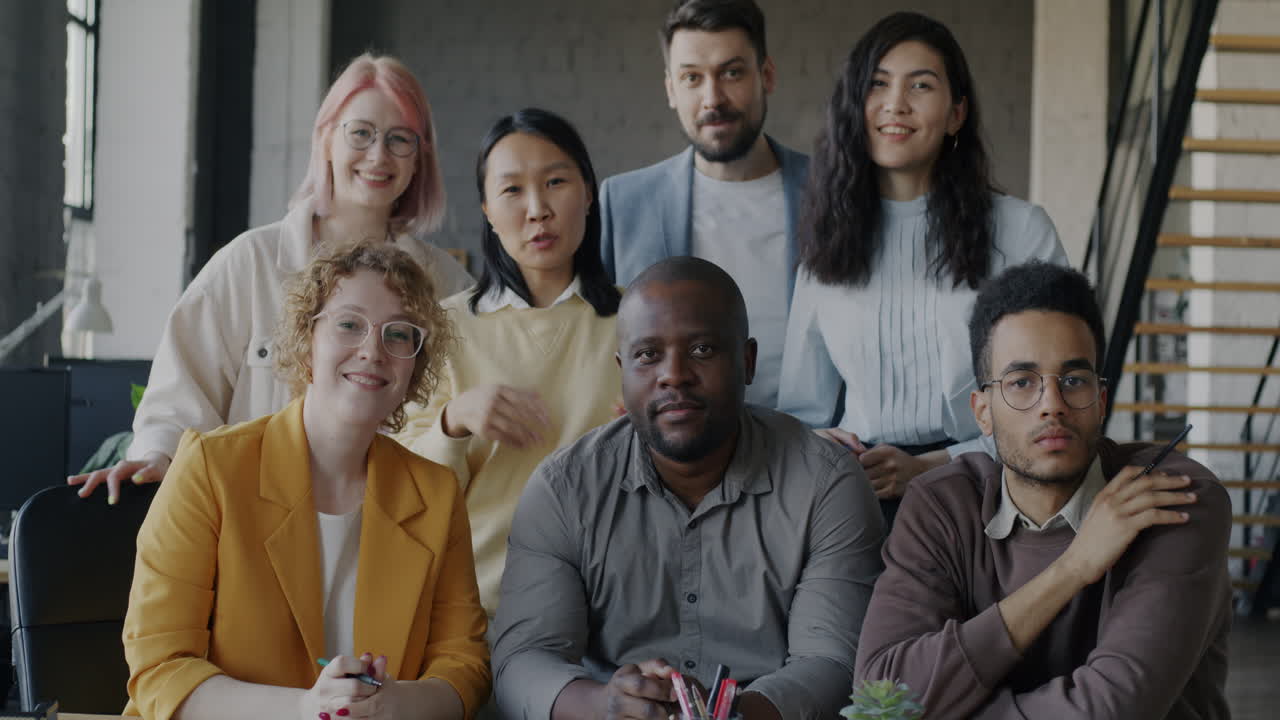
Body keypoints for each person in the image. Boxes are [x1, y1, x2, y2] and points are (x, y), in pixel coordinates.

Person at [490, 257, 885, 720]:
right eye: (647, 355)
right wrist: (604, 705)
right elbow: (522, 660)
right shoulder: (563, 489)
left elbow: (833, 661)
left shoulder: (826, 482)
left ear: (748, 361)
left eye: (701, 350)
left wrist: (726, 715)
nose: (673, 374)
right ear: (622, 369)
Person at [69, 53, 472, 503]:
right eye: (361, 133)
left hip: (390, 531)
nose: (379, 154)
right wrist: (155, 457)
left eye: (401, 139)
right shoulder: (249, 263)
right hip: (252, 528)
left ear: (420, 157)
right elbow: (178, 398)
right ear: (325, 140)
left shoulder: (448, 285)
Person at [123, 240, 490, 720]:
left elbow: (464, 663)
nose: (372, 350)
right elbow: (160, 668)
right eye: (348, 324)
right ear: (306, 337)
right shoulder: (209, 469)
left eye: (399, 335)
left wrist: (398, 704)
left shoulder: (436, 494)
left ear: (414, 366)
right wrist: (305, 708)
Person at [855, 262, 1231, 719]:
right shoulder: (941, 505)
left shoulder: (1171, 496)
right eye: (1021, 383)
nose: (1051, 405)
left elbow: (1112, 709)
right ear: (983, 411)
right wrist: (1071, 570)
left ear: (1101, 401)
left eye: (1073, 381)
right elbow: (880, 699)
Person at [778, 11, 1067, 525]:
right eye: (878, 85)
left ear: (957, 113)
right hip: (858, 492)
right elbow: (803, 411)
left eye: (921, 85)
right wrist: (822, 444)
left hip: (991, 489)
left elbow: (1056, 392)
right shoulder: (827, 238)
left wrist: (936, 466)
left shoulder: (1022, 231)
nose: (895, 104)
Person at [394, 108, 622, 616]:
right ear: (488, 212)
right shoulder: (445, 329)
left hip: (616, 611)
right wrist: (454, 421)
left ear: (588, 191)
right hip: (483, 612)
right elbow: (404, 493)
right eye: (512, 190)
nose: (538, 208)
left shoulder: (640, 324)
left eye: (556, 182)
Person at [598, 0, 808, 408]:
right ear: (671, 90)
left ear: (766, 75)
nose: (713, 98)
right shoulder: (622, 203)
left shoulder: (835, 192)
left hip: (811, 446)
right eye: (692, 78)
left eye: (731, 73)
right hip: (674, 455)